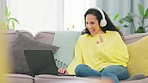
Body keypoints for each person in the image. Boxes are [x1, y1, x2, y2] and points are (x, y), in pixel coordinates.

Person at [58, 7, 130, 83]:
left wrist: (102, 48)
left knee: (107, 72)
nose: (89, 26)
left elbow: (124, 57)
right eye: (87, 23)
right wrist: (68, 71)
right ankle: (103, 78)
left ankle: (103, 77)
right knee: (79, 68)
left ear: (101, 22)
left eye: (92, 23)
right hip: (95, 71)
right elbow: (78, 60)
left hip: (116, 68)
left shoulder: (114, 35)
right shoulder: (82, 39)